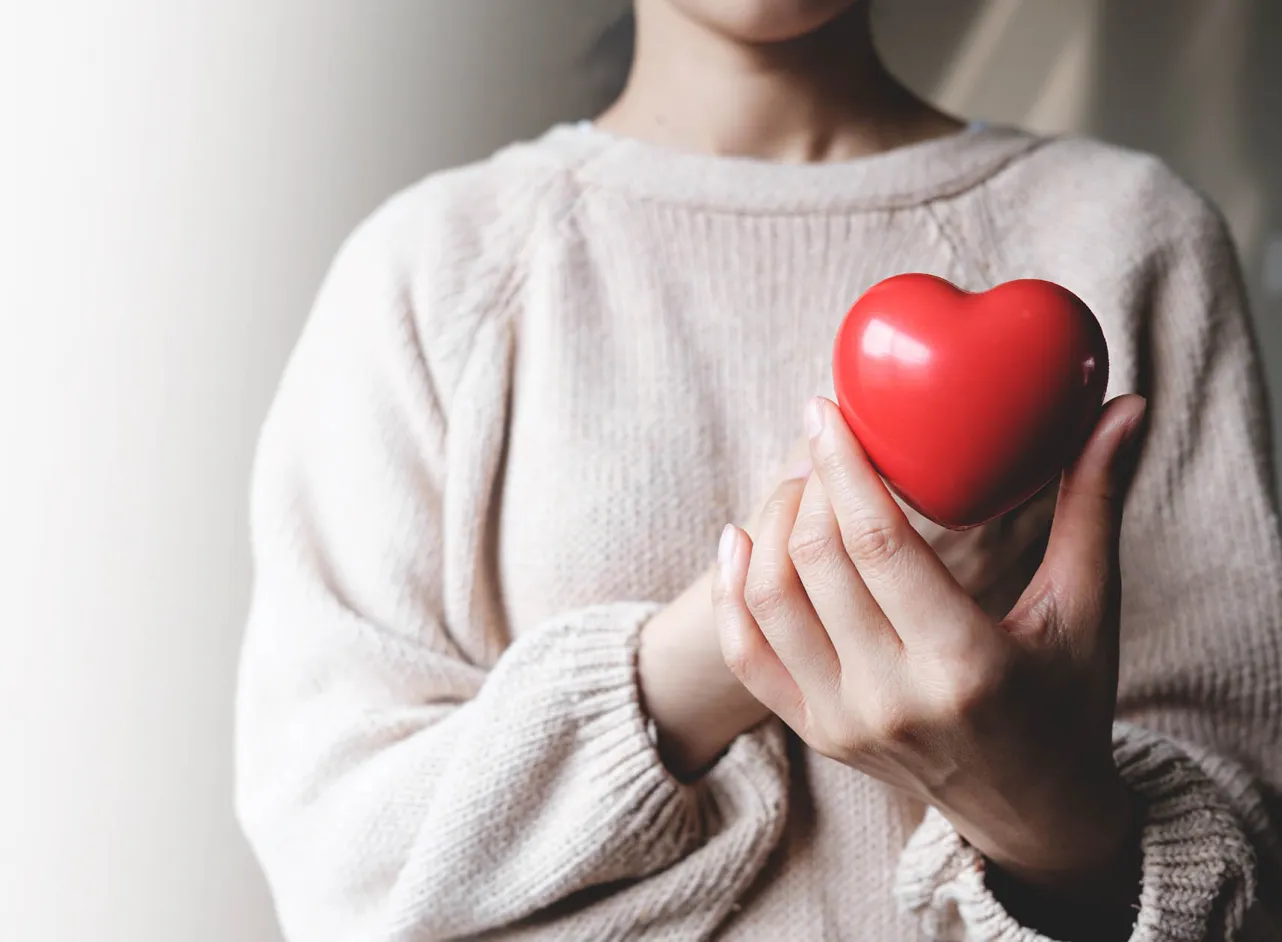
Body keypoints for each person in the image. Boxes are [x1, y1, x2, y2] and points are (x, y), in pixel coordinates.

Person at [234, 1, 1282, 939]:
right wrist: (718, 648)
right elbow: (338, 866)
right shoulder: (435, 270)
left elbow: (1257, 865)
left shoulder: (1130, 235)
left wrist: (1046, 822)